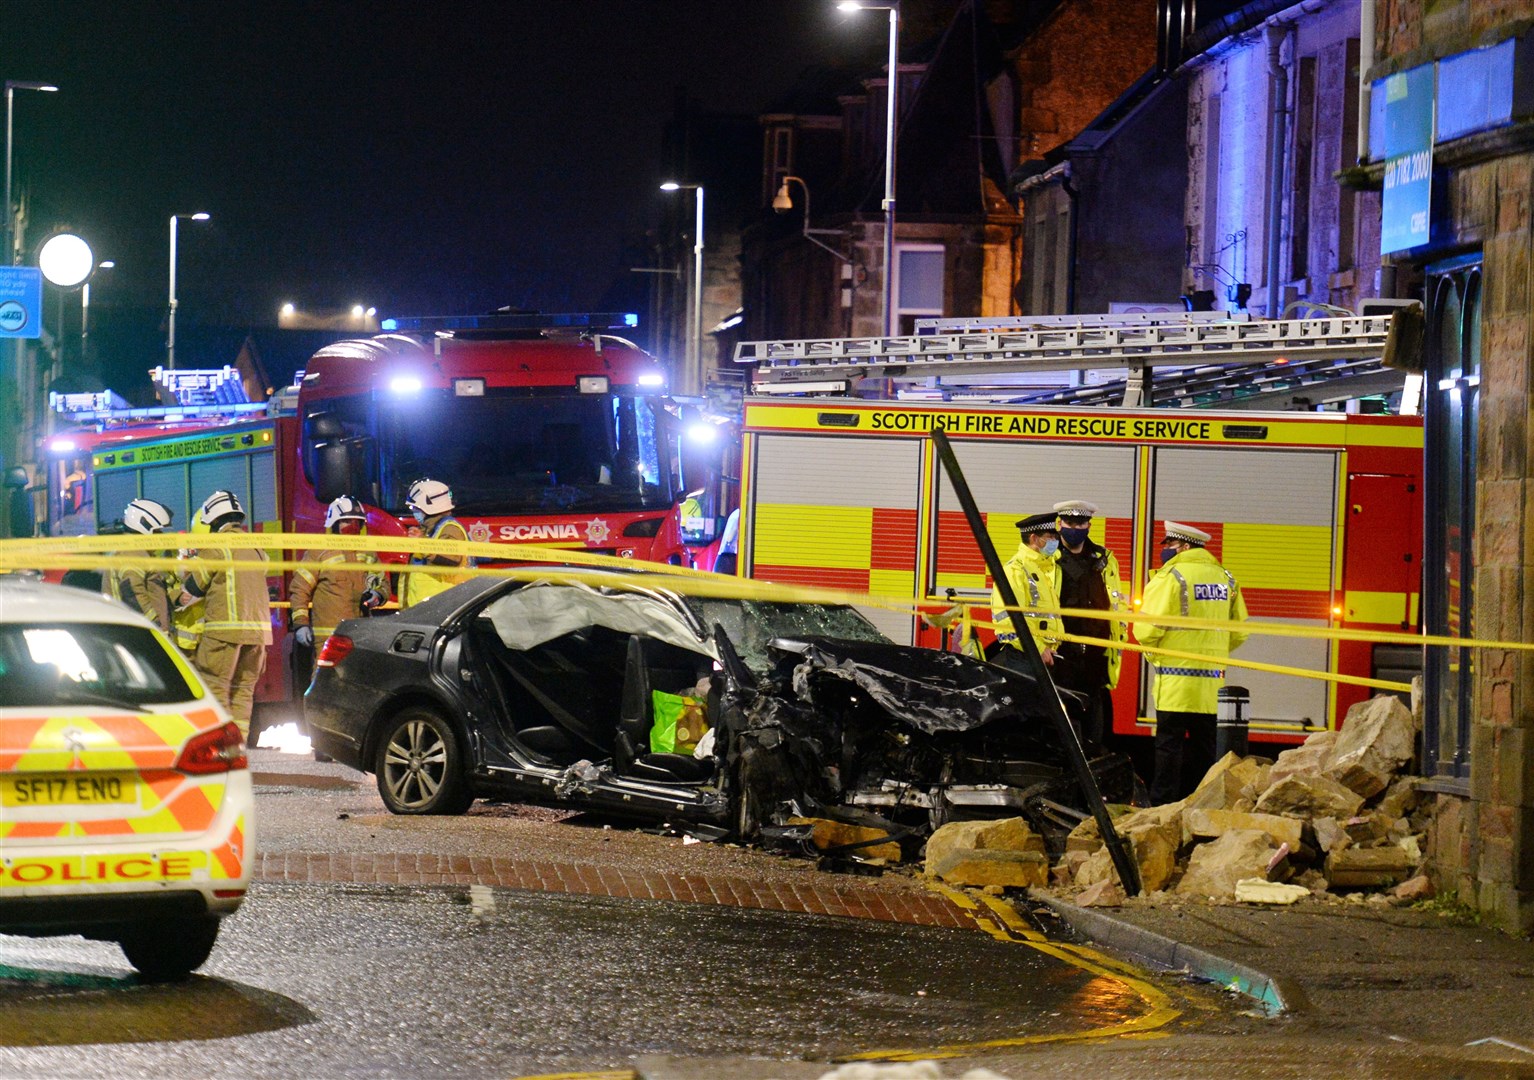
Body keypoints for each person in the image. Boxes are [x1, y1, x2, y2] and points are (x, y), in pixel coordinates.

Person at [1134, 521, 1250, 805]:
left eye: (1170, 546)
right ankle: (1203, 805)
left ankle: (1163, 808)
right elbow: (1240, 631)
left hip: (1175, 685)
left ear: (1185, 546)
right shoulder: (1226, 578)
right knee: (1207, 750)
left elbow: (1147, 630)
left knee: (1168, 749)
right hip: (1212, 686)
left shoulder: (1170, 577)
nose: (1166, 552)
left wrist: (1155, 654)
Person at [183, 490, 272, 739]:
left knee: (215, 687)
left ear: (213, 520)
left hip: (224, 633)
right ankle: (238, 745)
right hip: (258, 635)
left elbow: (194, 587)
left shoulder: (217, 546)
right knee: (243, 691)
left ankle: (222, 748)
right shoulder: (255, 547)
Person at [1050, 499, 1127, 753]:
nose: (1075, 527)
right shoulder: (1049, 558)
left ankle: (1093, 766)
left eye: (1080, 523)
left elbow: (1115, 601)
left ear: (1089, 525)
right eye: (1070, 522)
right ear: (1059, 524)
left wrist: (1116, 640)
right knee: (1062, 715)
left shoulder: (1103, 558)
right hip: (1062, 650)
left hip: (1096, 650)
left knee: (1094, 717)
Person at [290, 496, 388, 676]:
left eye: (357, 522)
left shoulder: (367, 551)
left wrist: (377, 595)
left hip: (361, 633)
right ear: (334, 524)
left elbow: (381, 583)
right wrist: (300, 624)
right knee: (325, 681)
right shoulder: (319, 551)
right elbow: (299, 590)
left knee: (359, 681)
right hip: (329, 636)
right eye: (346, 521)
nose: (352, 526)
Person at [989, 512, 1062, 674]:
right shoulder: (1015, 570)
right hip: (1025, 656)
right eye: (1050, 537)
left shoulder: (1042, 569)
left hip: (1042, 654)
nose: (1055, 542)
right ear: (1034, 539)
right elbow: (1008, 619)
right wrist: (1038, 648)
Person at [103, 498, 176, 633]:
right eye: (157, 531)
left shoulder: (138, 550)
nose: (160, 536)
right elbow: (132, 592)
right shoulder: (132, 552)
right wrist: (154, 625)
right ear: (145, 526)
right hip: (137, 633)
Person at [400, 478, 471, 607]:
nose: (413, 511)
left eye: (415, 507)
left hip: (442, 606)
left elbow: (451, 558)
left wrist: (422, 544)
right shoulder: (429, 530)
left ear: (429, 506)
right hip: (427, 608)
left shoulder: (450, 528)